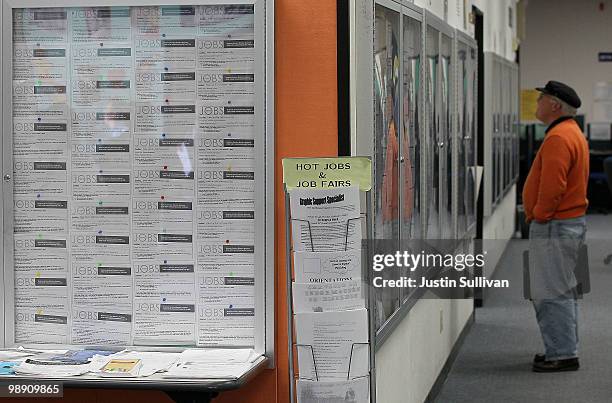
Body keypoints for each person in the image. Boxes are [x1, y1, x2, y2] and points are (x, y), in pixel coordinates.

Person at [523, 80, 589, 372]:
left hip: (555, 226)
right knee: (563, 290)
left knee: (550, 292)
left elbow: (553, 186)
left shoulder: (559, 138)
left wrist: (540, 214)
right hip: (569, 224)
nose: (536, 105)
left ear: (554, 105)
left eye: (541, 100)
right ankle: (562, 348)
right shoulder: (571, 132)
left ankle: (562, 354)